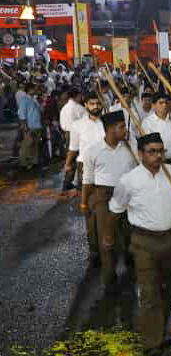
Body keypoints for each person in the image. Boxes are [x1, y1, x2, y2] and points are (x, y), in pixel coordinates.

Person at [109, 133, 171, 356]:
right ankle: (153, 348)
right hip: (144, 243)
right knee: (150, 295)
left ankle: (160, 332)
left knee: (167, 290)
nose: (158, 156)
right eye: (152, 151)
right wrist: (110, 238)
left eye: (161, 151)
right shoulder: (128, 181)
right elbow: (116, 209)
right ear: (140, 153)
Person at [82, 110, 136, 291]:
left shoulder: (130, 147)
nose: (125, 130)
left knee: (129, 232)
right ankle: (109, 279)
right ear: (111, 129)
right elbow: (87, 180)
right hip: (103, 196)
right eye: (121, 127)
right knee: (106, 238)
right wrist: (84, 202)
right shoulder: (93, 151)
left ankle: (131, 266)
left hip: (127, 194)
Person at [69, 91, 105, 257]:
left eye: (98, 103)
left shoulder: (107, 122)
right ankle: (94, 249)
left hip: (105, 166)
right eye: (92, 103)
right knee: (90, 209)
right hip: (85, 167)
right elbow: (73, 148)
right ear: (86, 105)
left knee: (107, 207)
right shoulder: (78, 125)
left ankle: (109, 245)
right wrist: (68, 164)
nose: (95, 106)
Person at [142, 92, 171, 164]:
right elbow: (148, 145)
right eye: (161, 103)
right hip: (159, 162)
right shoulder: (147, 122)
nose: (164, 105)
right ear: (153, 106)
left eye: (166, 102)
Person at [16, 82, 43, 170]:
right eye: (35, 88)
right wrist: (25, 126)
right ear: (30, 89)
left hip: (36, 126)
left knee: (35, 145)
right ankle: (23, 163)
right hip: (30, 126)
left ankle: (34, 162)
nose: (36, 90)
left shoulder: (34, 99)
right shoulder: (24, 100)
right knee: (27, 145)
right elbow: (21, 114)